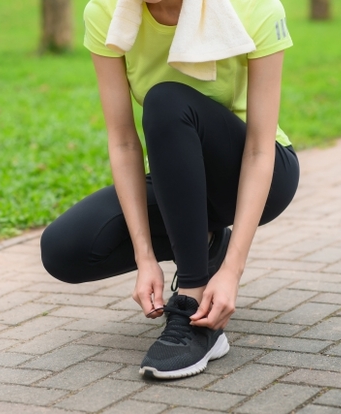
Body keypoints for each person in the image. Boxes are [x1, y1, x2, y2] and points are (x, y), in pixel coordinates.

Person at [40, 0, 300, 379]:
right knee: (65, 249)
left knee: (166, 99)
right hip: (178, 177)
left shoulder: (254, 6)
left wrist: (232, 272)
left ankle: (193, 316)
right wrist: (145, 257)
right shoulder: (106, 11)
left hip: (258, 170)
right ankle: (206, 243)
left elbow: (260, 148)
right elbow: (124, 142)